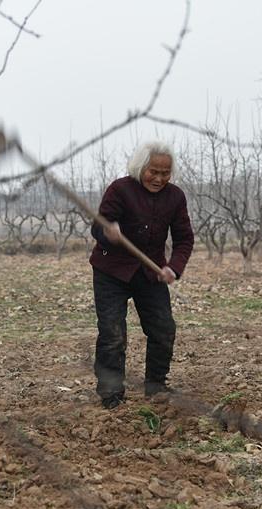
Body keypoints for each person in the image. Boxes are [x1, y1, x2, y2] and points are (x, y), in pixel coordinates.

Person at [89, 141, 194, 409]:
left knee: (164, 329)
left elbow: (184, 239)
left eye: (165, 173)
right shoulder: (120, 189)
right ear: (141, 168)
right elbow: (98, 228)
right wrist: (109, 232)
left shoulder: (175, 197)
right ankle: (111, 394)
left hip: (150, 273)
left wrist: (174, 267)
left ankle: (156, 386)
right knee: (113, 334)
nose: (159, 178)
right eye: (153, 171)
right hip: (111, 271)